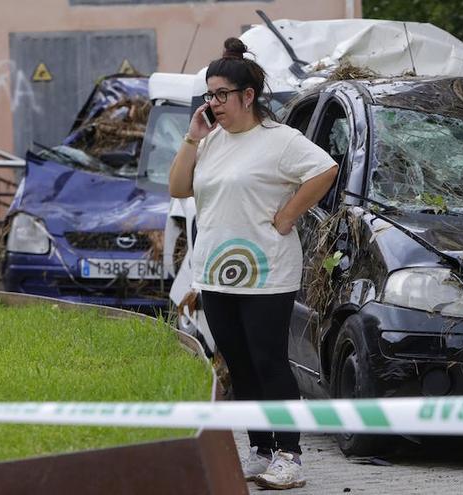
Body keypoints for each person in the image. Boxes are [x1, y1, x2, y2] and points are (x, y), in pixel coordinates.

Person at [169, 37, 338, 490]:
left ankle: (291, 457)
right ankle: (259, 451)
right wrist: (192, 136)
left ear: (248, 96)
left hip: (266, 272)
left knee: (269, 362)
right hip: (215, 270)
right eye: (209, 94)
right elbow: (178, 187)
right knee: (240, 364)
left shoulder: (280, 141)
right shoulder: (210, 141)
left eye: (222, 94)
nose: (214, 103)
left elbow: (324, 170)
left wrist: (287, 215)